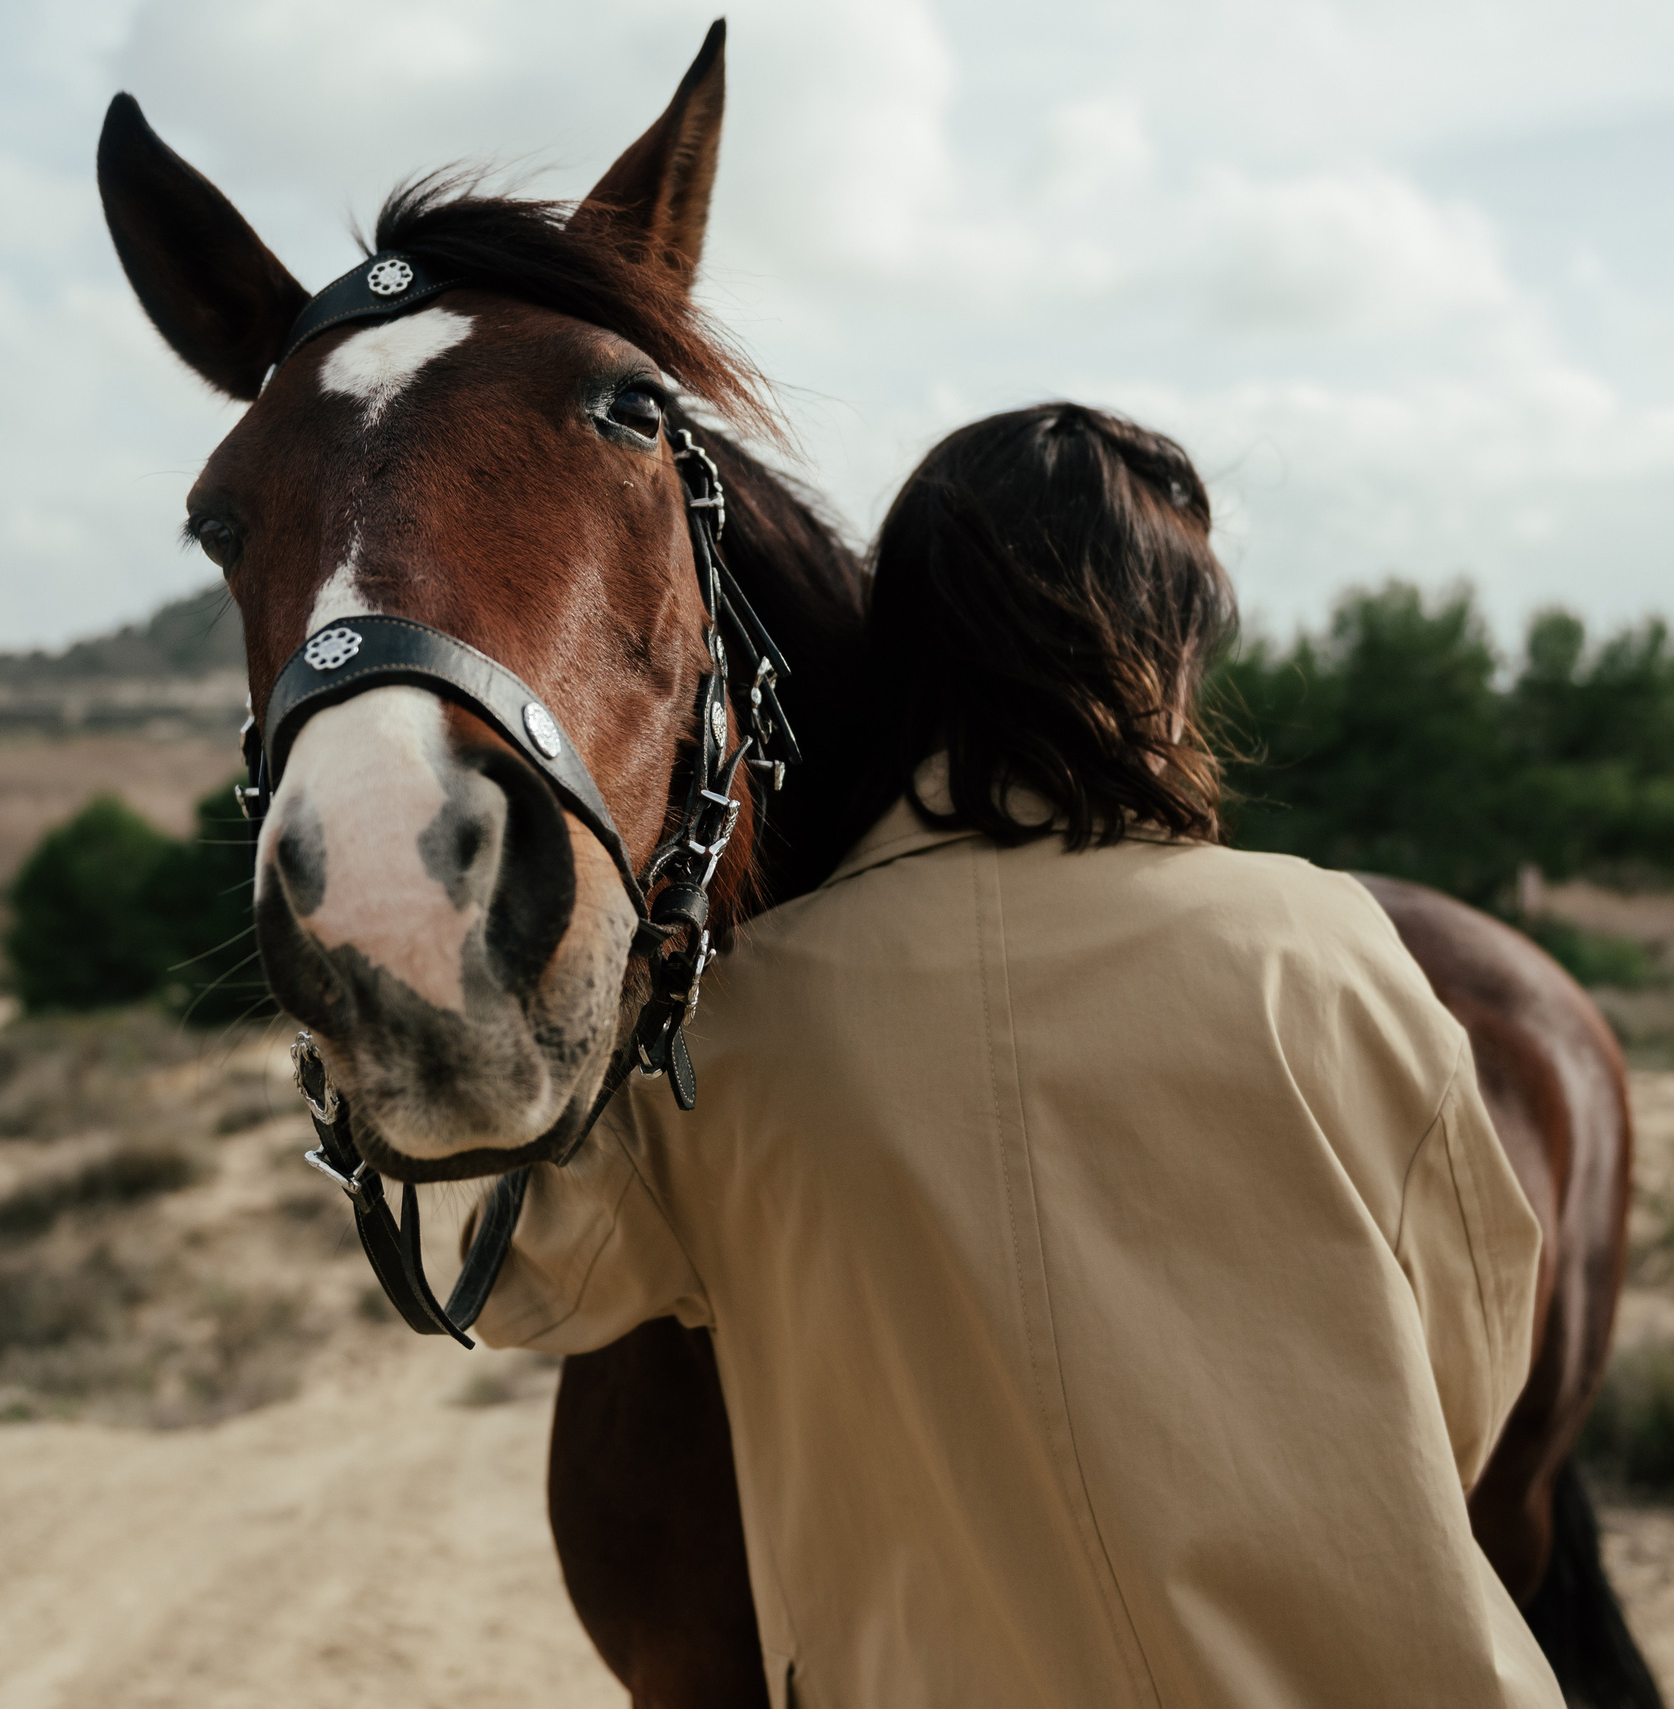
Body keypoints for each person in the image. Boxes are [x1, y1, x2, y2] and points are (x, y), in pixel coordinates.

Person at [481, 402, 1561, 1708]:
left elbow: (518, 1285)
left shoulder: (739, 1022)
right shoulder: (1322, 946)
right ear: (1161, 651)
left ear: (911, 658)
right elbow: (1465, 1361)